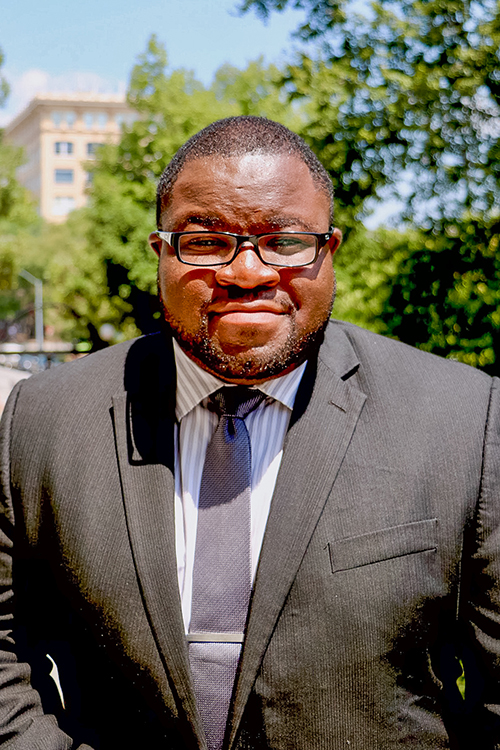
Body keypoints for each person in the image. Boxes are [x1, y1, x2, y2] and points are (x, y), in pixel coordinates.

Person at [0, 115, 499, 750]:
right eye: (205, 242)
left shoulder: (464, 417)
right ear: (161, 253)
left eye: (285, 240)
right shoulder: (42, 421)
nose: (247, 272)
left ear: (330, 249)